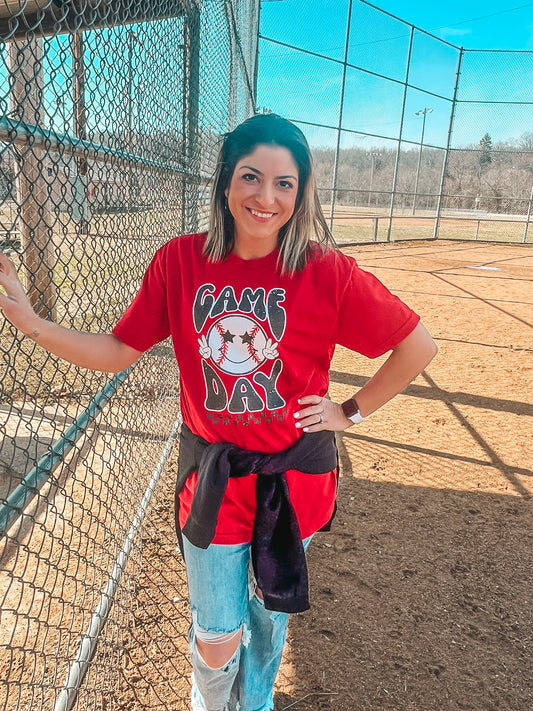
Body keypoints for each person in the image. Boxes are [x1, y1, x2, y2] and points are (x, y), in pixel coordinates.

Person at [0, 113, 437, 711]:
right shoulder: (179, 262)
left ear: (301, 194)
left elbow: (417, 345)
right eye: (252, 177)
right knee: (216, 631)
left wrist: (349, 411)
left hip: (293, 480)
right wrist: (35, 324)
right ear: (226, 181)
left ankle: (253, 705)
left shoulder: (324, 270)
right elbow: (115, 351)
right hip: (213, 482)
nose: (266, 197)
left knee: (266, 621)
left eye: (285, 184)